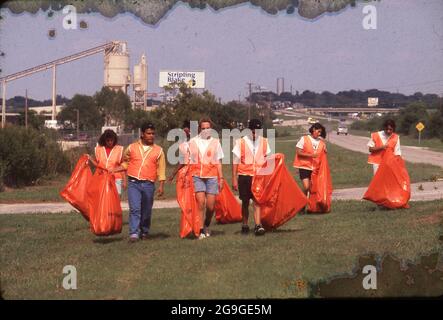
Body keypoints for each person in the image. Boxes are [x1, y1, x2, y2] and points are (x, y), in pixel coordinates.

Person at [111, 123, 166, 243]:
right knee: (135, 209)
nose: (151, 136)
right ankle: (134, 233)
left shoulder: (159, 151)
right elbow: (126, 163)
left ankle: (144, 231)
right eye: (148, 133)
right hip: (134, 183)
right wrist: (116, 169)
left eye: (153, 133)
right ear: (142, 134)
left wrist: (161, 186)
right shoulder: (131, 147)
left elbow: (161, 169)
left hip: (148, 184)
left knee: (146, 211)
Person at [232, 119, 271, 236]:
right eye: (253, 132)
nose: (255, 134)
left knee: (257, 201)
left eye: (257, 132)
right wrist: (234, 178)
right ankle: (245, 224)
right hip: (245, 176)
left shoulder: (264, 141)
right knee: (245, 202)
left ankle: (258, 225)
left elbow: (267, 160)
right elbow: (235, 161)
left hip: (259, 176)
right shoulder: (240, 142)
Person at [187, 118, 224, 239]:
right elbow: (187, 160)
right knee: (201, 203)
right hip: (197, 176)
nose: (206, 130)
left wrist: (221, 178)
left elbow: (218, 161)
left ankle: (207, 224)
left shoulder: (216, 142)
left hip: (212, 176)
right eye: (203, 128)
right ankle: (201, 229)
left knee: (211, 206)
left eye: (208, 128)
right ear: (199, 129)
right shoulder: (193, 142)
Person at [293, 123, 327, 212]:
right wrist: (311, 155)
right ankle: (301, 204)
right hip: (304, 166)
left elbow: (322, 156)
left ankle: (311, 206)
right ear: (313, 129)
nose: (319, 134)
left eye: (321, 132)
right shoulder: (304, 139)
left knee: (312, 189)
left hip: (315, 168)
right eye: (318, 131)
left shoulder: (321, 143)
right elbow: (299, 152)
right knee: (306, 187)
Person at [88, 129, 126, 196]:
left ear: (114, 140)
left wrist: (124, 180)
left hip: (116, 178)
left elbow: (122, 166)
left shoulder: (119, 150)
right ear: (104, 140)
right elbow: (97, 165)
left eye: (112, 140)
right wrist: (90, 159)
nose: (110, 142)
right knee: (103, 199)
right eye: (108, 140)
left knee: (116, 199)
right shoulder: (98, 150)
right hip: (102, 178)